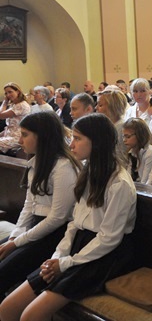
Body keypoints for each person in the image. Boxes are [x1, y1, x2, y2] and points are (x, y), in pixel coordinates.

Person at [0, 114, 136, 321]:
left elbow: (109, 238)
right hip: (77, 245)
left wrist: (64, 263)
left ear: (97, 142)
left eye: (78, 138)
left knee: (31, 315)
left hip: (103, 256)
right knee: (7, 308)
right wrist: (57, 256)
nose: (71, 144)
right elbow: (74, 224)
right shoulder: (88, 172)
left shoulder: (119, 184)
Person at [0, 112, 81, 299]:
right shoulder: (36, 162)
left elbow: (58, 218)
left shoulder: (63, 167)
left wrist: (17, 243)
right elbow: (29, 205)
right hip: (35, 228)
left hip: (53, 235)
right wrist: (15, 235)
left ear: (42, 136)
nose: (20, 140)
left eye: (25, 134)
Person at [122, 118, 152, 184]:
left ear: (139, 135)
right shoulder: (132, 152)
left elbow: (145, 181)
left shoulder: (150, 153)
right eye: (123, 136)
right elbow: (128, 177)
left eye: (128, 136)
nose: (124, 140)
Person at [0, 83, 31, 154]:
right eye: (6, 93)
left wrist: (5, 102)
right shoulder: (14, 105)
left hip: (18, 137)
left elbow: (1, 115)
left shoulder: (21, 105)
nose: (8, 95)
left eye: (10, 92)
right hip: (9, 135)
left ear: (18, 91)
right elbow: (11, 127)